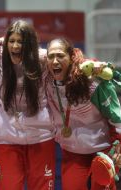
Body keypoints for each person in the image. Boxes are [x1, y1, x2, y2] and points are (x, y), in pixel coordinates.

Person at [45, 37, 121, 190]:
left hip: (102, 151)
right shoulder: (46, 81)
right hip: (72, 153)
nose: (54, 61)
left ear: (72, 57)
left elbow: (116, 117)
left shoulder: (91, 82)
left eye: (60, 55)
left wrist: (118, 144)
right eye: (51, 56)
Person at [0, 20, 56, 190]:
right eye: (11, 41)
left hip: (40, 136)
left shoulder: (43, 59)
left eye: (20, 42)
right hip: (7, 137)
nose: (15, 46)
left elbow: (70, 60)